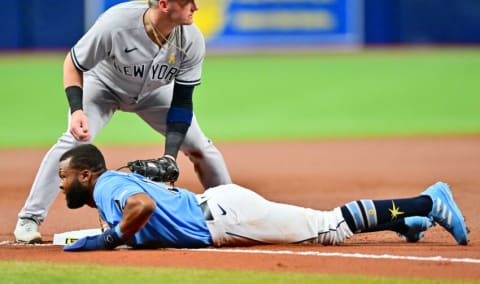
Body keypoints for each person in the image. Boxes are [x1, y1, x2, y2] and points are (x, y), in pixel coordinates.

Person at [14, 0, 232, 243]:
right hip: (103, 87)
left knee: (202, 148)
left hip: (155, 93)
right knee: (72, 141)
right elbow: (73, 63)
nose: (196, 6)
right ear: (164, 5)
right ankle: (29, 218)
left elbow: (182, 101)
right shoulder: (116, 24)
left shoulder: (191, 39)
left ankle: (232, 207)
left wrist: (170, 156)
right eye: (187, 0)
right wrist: (77, 109)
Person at [58, 144, 468, 251]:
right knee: (324, 226)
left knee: (329, 227)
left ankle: (428, 203)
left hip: (225, 218)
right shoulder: (110, 184)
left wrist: (110, 239)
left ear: (86, 174)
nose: (60, 186)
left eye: (64, 177)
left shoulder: (109, 186)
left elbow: (142, 207)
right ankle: (405, 220)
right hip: (219, 206)